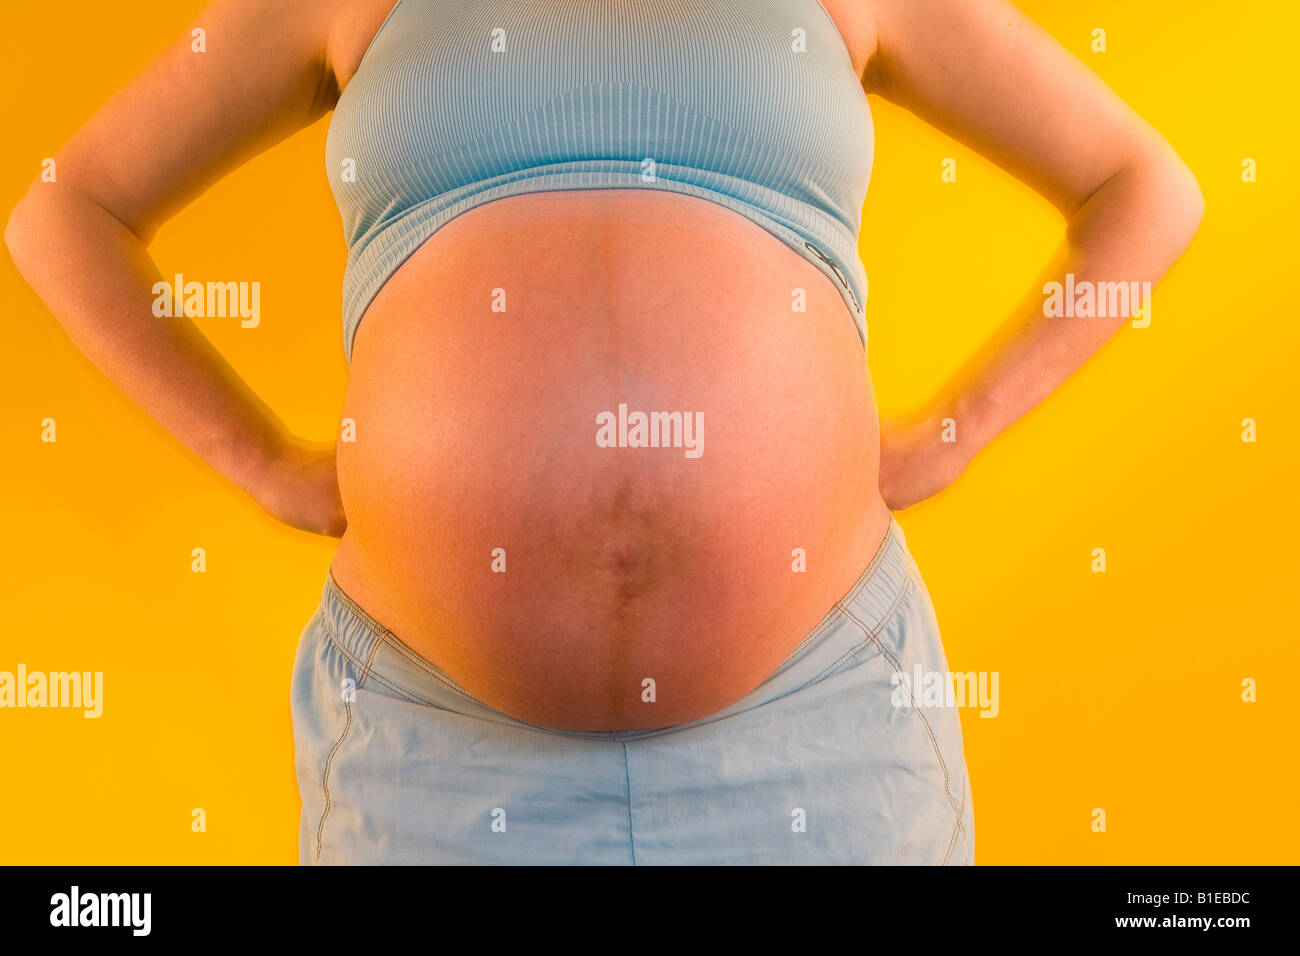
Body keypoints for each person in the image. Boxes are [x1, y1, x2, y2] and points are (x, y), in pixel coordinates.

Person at [5, 0, 1203, 864]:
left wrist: (953, 430)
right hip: (439, 750)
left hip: (813, 729)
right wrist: (264, 462)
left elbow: (1143, 184)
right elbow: (65, 209)